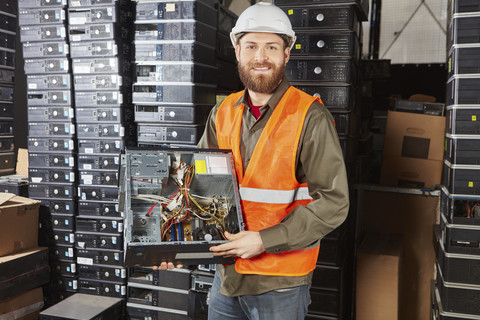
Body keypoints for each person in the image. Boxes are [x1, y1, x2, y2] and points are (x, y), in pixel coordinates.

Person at [159, 2, 349, 319]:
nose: (260, 57)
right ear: (237, 51)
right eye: (251, 46)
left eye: (271, 47)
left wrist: (263, 240)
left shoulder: (309, 117)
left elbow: (334, 202)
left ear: (286, 54)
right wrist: (166, 240)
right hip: (228, 277)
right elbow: (194, 183)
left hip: (281, 282)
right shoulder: (222, 112)